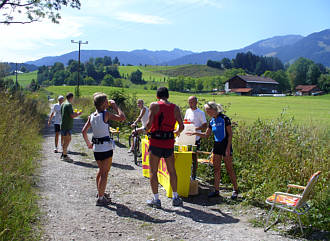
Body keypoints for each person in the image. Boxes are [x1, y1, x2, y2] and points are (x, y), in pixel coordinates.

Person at [187, 101, 239, 200]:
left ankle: (235, 190)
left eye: (208, 110)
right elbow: (207, 135)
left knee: (229, 168)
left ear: (214, 109)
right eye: (206, 111)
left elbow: (230, 134)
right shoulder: (212, 121)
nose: (207, 113)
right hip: (217, 146)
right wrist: (195, 133)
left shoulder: (225, 119)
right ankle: (216, 190)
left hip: (225, 146)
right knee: (216, 169)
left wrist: (228, 148)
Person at [82, 93, 126, 206]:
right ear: (103, 104)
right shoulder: (106, 114)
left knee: (101, 171)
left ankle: (100, 193)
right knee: (105, 174)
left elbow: (83, 131)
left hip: (96, 148)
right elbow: (122, 118)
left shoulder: (92, 116)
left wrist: (88, 144)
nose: (108, 103)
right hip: (105, 148)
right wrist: (115, 106)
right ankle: (101, 198)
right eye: (106, 101)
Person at [144, 87, 184, 208]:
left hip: (155, 142)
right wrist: (175, 133)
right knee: (172, 171)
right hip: (168, 142)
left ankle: (156, 199)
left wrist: (145, 130)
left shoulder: (154, 105)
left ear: (157, 96)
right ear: (168, 95)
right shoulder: (175, 108)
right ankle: (176, 197)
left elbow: (149, 124)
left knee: (153, 171)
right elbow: (181, 126)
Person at [184, 96, 207, 180]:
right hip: (187, 138)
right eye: (189, 102)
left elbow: (205, 125)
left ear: (196, 102)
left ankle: (193, 175)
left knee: (194, 156)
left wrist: (195, 129)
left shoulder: (200, 113)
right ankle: (186, 173)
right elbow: (185, 122)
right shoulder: (187, 111)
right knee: (186, 155)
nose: (190, 104)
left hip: (196, 138)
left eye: (192, 102)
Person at [60, 92, 82, 160]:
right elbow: (72, 116)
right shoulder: (69, 105)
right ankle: (65, 156)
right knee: (67, 140)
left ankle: (63, 154)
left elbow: (64, 114)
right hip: (67, 126)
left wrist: (73, 113)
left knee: (65, 140)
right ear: (71, 97)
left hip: (63, 124)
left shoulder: (63, 104)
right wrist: (78, 114)